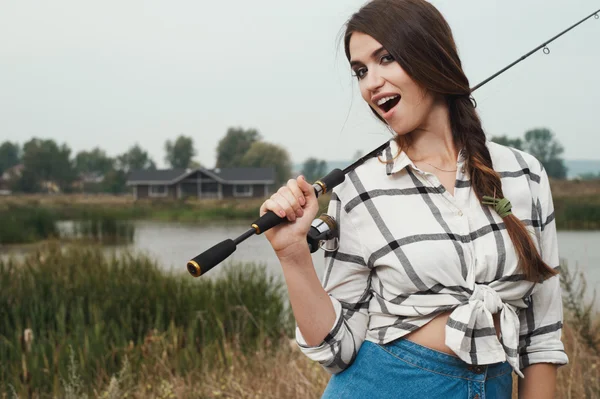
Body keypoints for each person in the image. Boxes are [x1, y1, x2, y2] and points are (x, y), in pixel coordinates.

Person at [259, 0, 568, 397]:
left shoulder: (523, 174)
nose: (371, 82)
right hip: (385, 383)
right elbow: (336, 348)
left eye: (386, 58)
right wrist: (292, 255)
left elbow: (541, 335)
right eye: (360, 71)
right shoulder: (359, 189)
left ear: (430, 54)